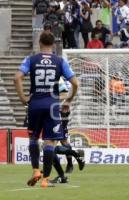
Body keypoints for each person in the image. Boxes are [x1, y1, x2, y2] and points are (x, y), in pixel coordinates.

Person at [14, 31, 78, 187]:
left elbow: (16, 78)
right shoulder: (60, 61)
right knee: (49, 142)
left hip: (34, 103)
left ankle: (36, 170)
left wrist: (23, 98)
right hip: (52, 105)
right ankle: (45, 180)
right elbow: (75, 83)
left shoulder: (30, 59)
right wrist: (68, 99)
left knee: (33, 139)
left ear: (39, 43)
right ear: (53, 45)